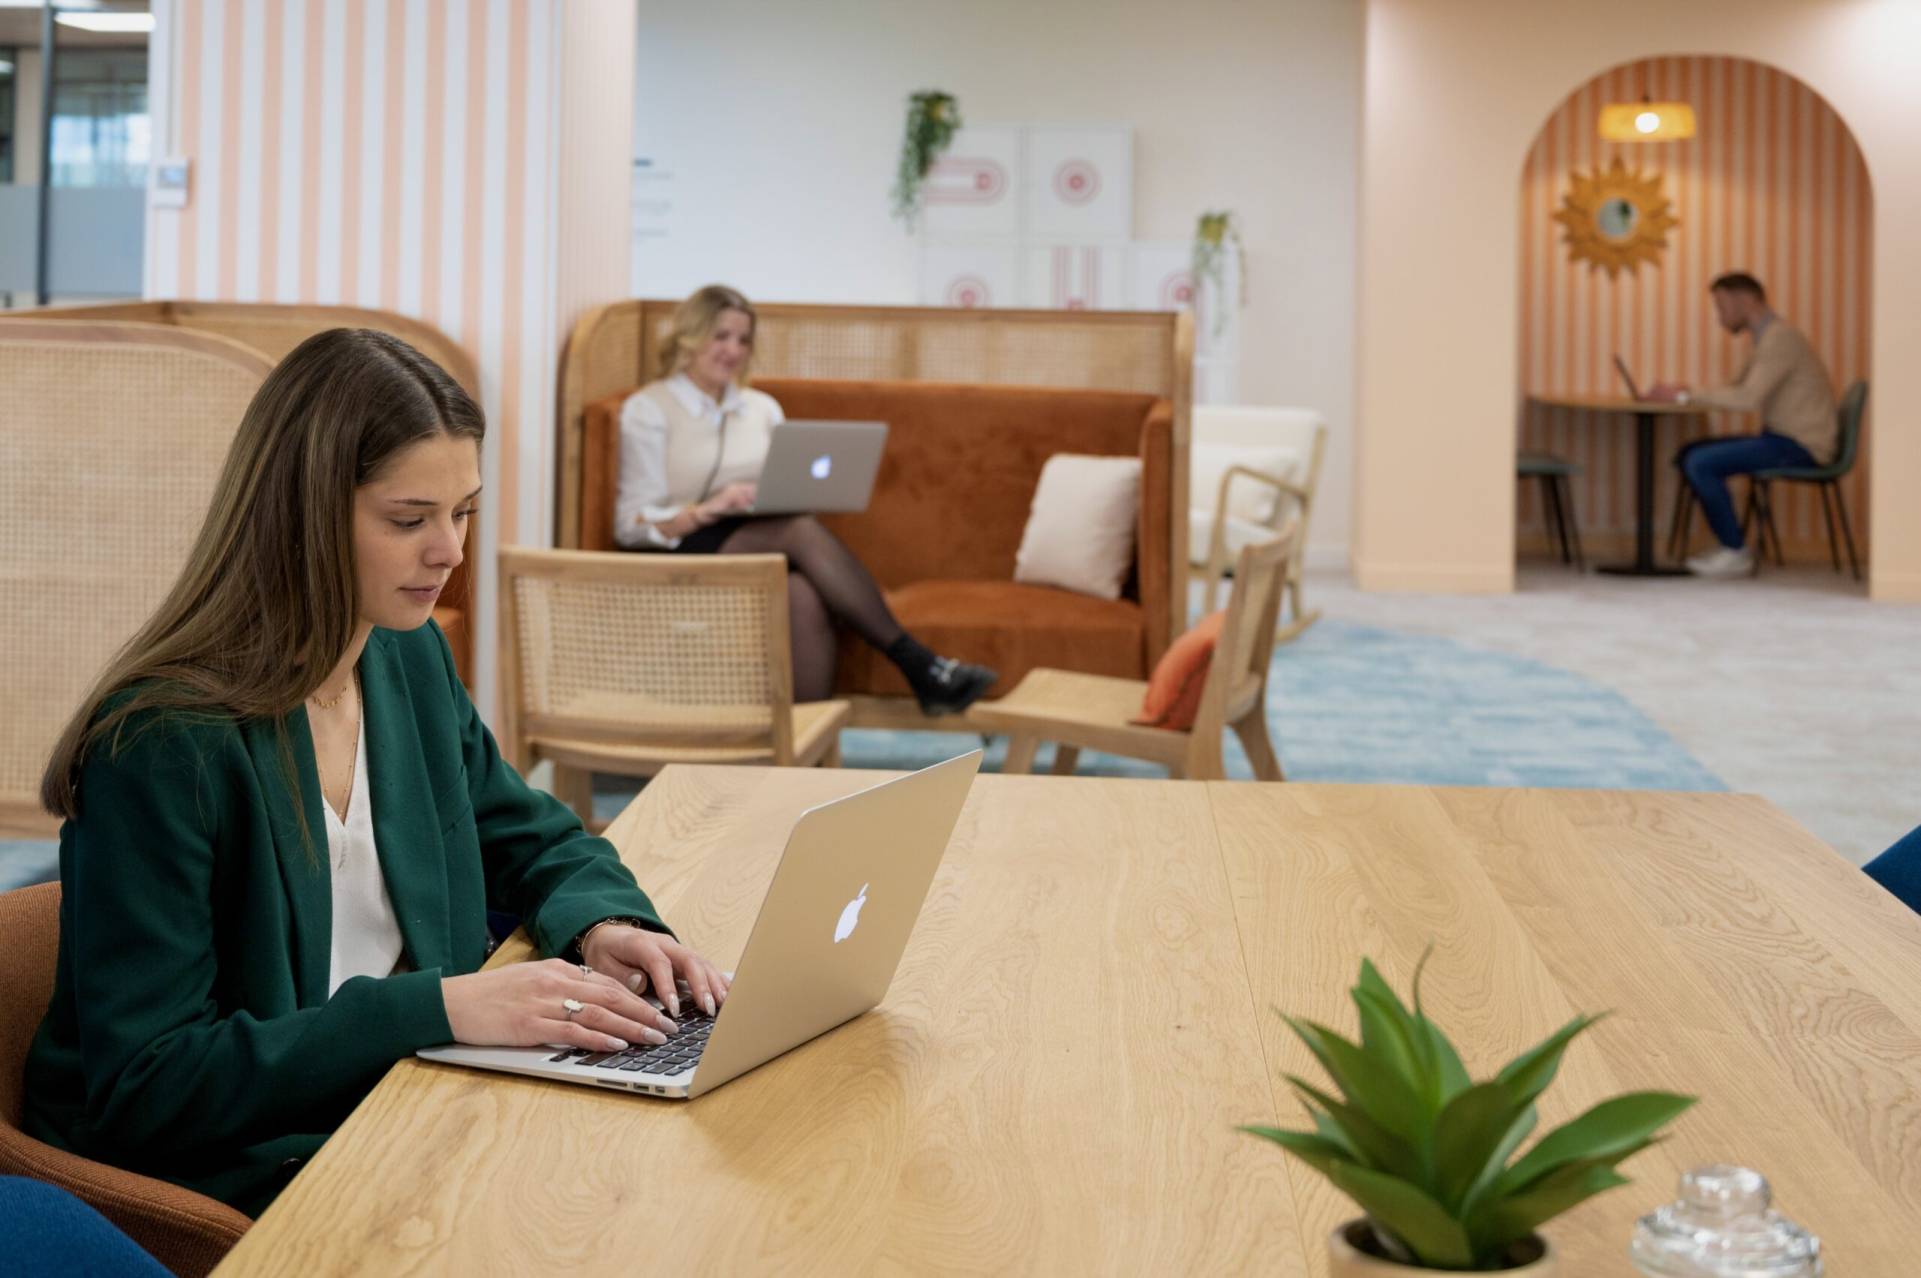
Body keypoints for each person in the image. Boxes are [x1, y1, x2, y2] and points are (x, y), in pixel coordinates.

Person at [23, 330, 728, 1218]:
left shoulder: (405, 658)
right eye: (409, 520)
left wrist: (604, 925)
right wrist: (438, 1009)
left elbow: (527, 831)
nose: (450, 552)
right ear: (304, 514)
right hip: (246, 1165)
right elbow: (151, 1086)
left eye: (463, 511)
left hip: (406, 1100)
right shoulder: (162, 742)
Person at [614, 284, 996, 714]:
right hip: (681, 546)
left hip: (759, 541)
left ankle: (799, 760)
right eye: (720, 336)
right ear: (690, 337)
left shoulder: (761, 409)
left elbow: (788, 483)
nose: (733, 351)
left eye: (743, 340)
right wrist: (707, 510)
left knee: (804, 593)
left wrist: (782, 495)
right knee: (799, 532)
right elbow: (631, 525)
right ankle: (919, 664)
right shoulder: (649, 409)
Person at [1645, 272, 1837, 579]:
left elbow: (1747, 398)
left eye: (1721, 306)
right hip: (1782, 439)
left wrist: (1683, 396)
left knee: (1700, 461)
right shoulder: (1766, 339)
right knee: (1689, 452)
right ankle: (1729, 545)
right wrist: (1684, 393)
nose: (1720, 317)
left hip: (1801, 445)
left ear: (1744, 300)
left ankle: (1734, 550)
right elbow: (1735, 388)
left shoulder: (1780, 338)